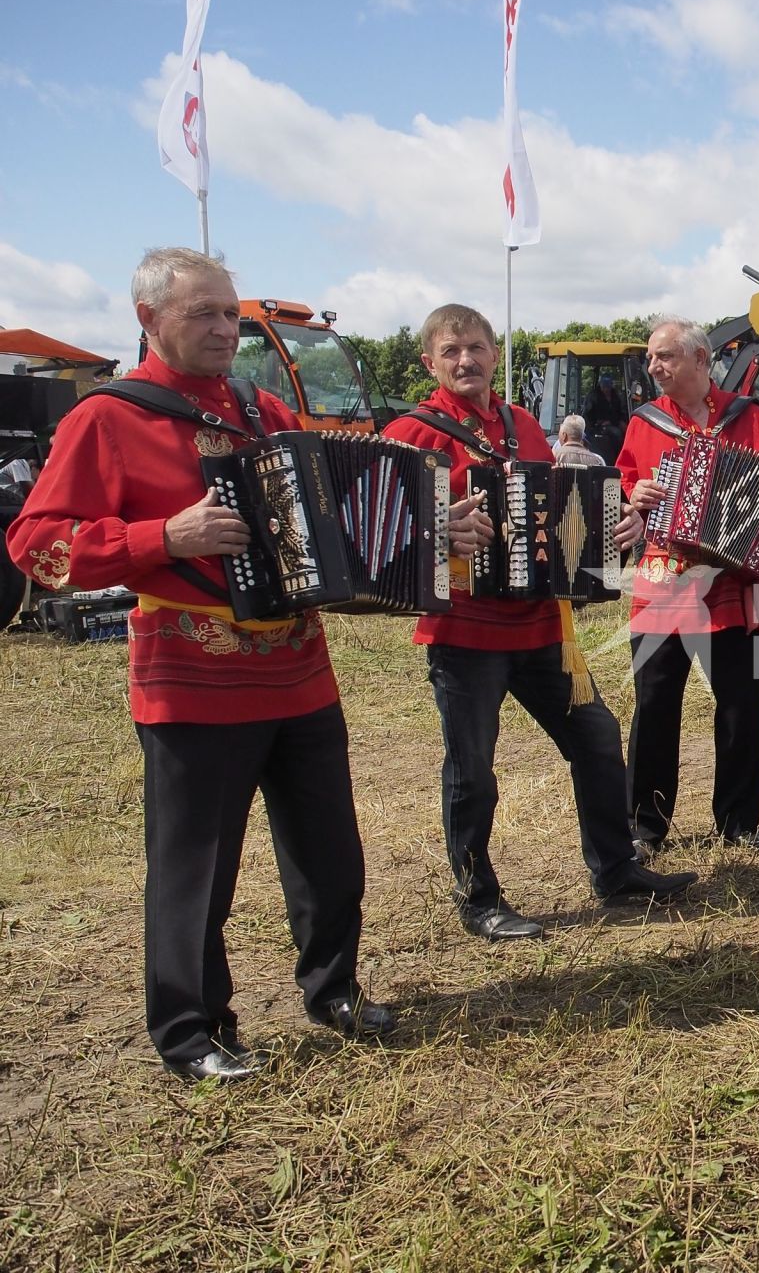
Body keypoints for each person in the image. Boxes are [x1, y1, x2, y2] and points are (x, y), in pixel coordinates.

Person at [6, 248, 421, 1079]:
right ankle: (193, 1032)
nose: (226, 328)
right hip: (191, 673)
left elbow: (328, 512)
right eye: (205, 313)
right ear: (148, 319)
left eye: (231, 313)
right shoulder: (106, 419)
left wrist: (422, 529)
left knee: (329, 850)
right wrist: (165, 537)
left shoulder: (263, 408)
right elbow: (36, 545)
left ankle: (332, 989)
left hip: (300, 666)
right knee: (196, 866)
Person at [384, 304, 695, 944]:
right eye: (451, 352)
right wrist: (437, 532)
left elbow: (559, 515)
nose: (465, 360)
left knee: (598, 740)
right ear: (430, 363)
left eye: (476, 347)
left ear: (495, 353)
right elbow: (375, 533)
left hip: (538, 627)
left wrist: (616, 531)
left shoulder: (522, 424)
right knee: (473, 769)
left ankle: (615, 869)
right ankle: (478, 896)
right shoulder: (411, 433)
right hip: (465, 633)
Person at [619, 316, 759, 852]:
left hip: (736, 581)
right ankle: (646, 825)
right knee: (654, 699)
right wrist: (637, 497)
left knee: (740, 701)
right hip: (665, 579)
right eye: (652, 359)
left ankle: (739, 821)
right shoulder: (644, 422)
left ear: (701, 360)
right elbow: (623, 483)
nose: (654, 367)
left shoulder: (748, 419)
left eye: (665, 357)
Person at [582, 373, 629, 465]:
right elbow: (588, 415)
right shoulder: (593, 396)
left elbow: (619, 411)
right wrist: (599, 423)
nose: (606, 389)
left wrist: (616, 421)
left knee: (627, 429)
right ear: (601, 385)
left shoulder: (615, 396)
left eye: (608, 386)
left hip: (613, 421)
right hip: (598, 425)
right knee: (617, 433)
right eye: (604, 386)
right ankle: (618, 458)